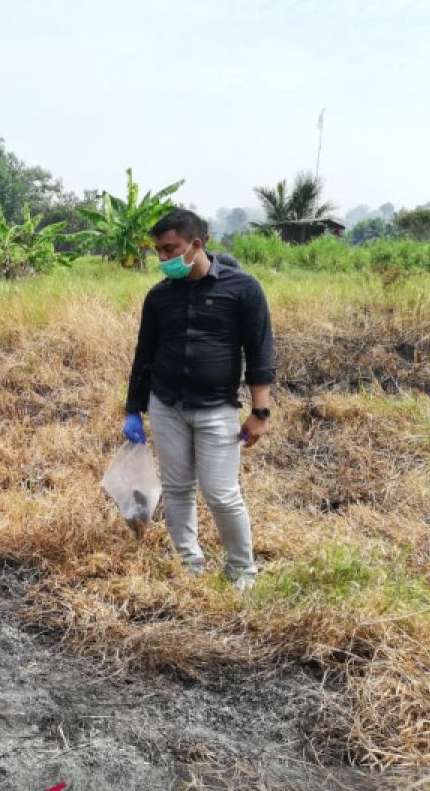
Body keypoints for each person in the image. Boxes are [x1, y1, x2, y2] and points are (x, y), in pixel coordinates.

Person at [122, 209, 275, 592]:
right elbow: (145, 354)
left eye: (169, 249)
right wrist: (133, 410)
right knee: (176, 488)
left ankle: (242, 571)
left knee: (222, 493)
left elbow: (260, 353)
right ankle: (188, 562)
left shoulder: (242, 289)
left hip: (217, 409)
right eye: (158, 251)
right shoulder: (159, 297)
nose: (163, 259)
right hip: (166, 405)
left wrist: (260, 412)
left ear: (196, 244)